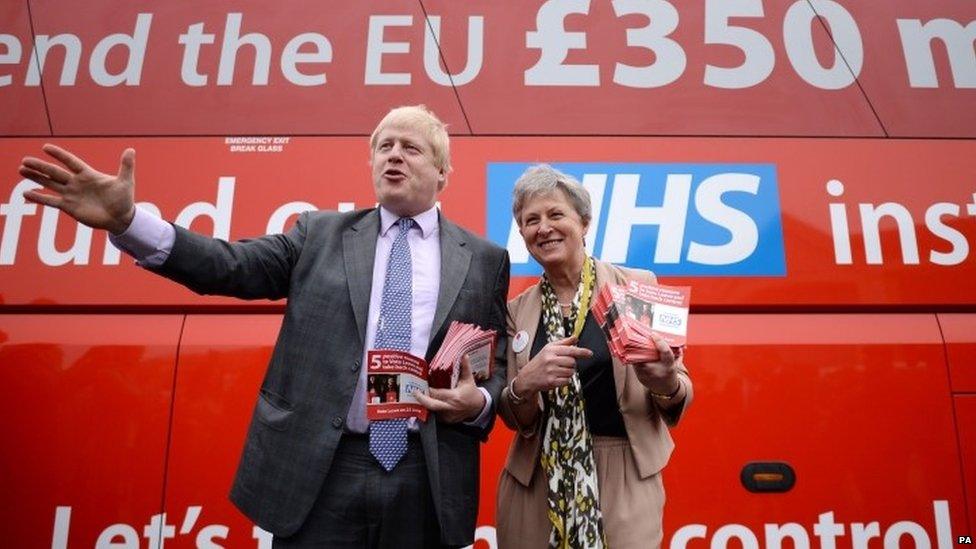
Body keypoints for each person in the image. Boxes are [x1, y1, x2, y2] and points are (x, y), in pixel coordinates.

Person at [18, 105, 510, 548]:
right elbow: (230, 264)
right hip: (321, 468)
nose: (393, 156)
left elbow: (496, 364)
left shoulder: (484, 260)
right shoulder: (318, 234)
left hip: (423, 472)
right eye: (384, 146)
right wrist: (129, 221)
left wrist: (479, 403)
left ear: (443, 173)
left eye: (411, 148)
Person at [496, 164, 692, 548]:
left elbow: (679, 394)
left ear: (584, 223)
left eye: (556, 214)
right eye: (530, 220)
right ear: (522, 235)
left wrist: (663, 381)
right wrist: (525, 384)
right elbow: (511, 414)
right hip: (536, 479)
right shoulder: (516, 311)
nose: (543, 227)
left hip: (623, 472)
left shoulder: (637, 286)